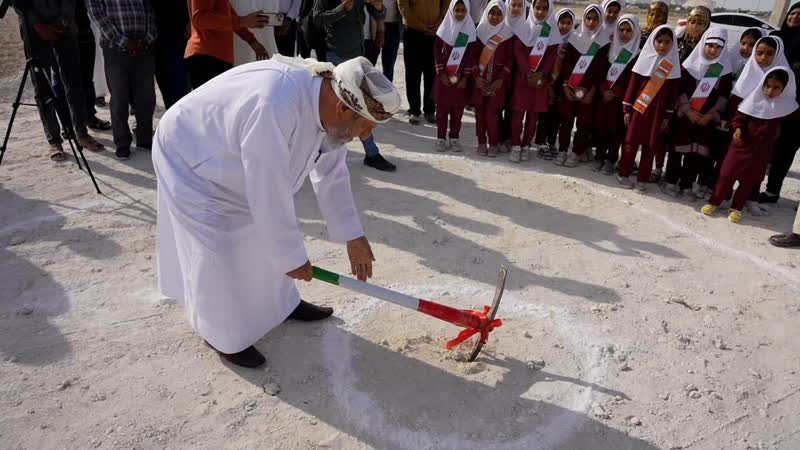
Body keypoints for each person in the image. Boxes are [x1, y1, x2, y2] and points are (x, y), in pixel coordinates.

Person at [153, 56, 401, 368]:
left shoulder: (330, 108)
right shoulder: (274, 104)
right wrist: (291, 255)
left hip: (234, 160)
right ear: (342, 109)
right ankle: (222, 334)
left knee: (268, 238)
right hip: (191, 155)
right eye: (365, 127)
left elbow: (331, 175)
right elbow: (267, 189)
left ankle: (283, 305)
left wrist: (353, 235)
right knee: (220, 248)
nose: (365, 137)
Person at [13, 0, 106, 162]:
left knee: (73, 82)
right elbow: (19, 4)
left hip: (65, 26)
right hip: (33, 30)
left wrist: (62, 22)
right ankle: (54, 141)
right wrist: (37, 25)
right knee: (42, 89)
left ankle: (81, 133)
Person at [702, 68, 798, 224]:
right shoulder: (753, 99)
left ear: (784, 89)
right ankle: (714, 202)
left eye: (776, 88)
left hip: (761, 151)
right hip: (741, 146)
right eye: (767, 86)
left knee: (748, 181)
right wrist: (738, 128)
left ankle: (736, 208)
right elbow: (739, 118)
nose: (770, 91)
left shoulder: (785, 107)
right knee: (726, 175)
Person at [314, 0, 398, 172]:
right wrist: (342, 8)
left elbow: (379, 15)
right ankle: (323, 156)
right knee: (336, 110)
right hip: (335, 57)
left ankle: (371, 154)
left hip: (357, 61)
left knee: (361, 110)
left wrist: (378, 7)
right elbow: (318, 20)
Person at [664, 27, 733, 200]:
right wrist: (688, 111)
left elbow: (724, 96)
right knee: (677, 150)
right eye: (709, 45)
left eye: (718, 47)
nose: (713, 50)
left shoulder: (723, 71)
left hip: (705, 121)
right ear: (703, 44)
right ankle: (670, 181)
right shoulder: (689, 66)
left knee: (696, 154)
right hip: (686, 118)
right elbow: (680, 91)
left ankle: (687, 184)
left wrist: (711, 115)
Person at [87, 0, 158, 160]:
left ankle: (145, 138)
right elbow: (98, 15)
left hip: (144, 48)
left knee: (146, 97)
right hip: (115, 50)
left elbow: (150, 11)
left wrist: (147, 39)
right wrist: (126, 43)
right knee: (119, 98)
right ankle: (122, 142)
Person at [617, 24, 681, 192]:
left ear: (672, 44)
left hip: (657, 114)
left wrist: (667, 116)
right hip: (638, 111)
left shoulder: (672, 67)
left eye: (667, 42)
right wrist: (627, 109)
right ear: (653, 41)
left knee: (650, 146)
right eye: (659, 41)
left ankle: (642, 180)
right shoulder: (642, 61)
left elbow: (672, 96)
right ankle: (623, 174)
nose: (662, 46)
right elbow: (632, 87)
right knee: (631, 143)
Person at [555, 4, 610, 168]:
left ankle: (576, 152)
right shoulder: (574, 38)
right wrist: (565, 86)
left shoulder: (603, 43)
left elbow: (601, 71)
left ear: (601, 20)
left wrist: (592, 92)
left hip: (588, 91)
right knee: (566, 121)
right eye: (588, 18)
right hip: (570, 88)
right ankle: (562, 150)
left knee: (583, 124)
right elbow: (566, 66)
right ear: (584, 19)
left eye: (595, 19)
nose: (591, 22)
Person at [508, 0, 560, 163]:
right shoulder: (523, 28)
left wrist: (541, 74)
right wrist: (527, 73)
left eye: (545, 9)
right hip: (523, 79)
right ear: (533, 8)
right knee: (518, 115)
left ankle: (525, 145)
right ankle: (516, 145)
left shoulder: (551, 31)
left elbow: (551, 55)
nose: (540, 12)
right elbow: (518, 50)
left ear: (549, 10)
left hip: (540, 82)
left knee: (533, 116)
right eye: (538, 7)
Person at [760, 2, 800, 205]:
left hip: (795, 111)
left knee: (784, 151)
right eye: (792, 12)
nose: (794, 16)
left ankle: (772, 191)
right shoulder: (778, 40)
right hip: (771, 103)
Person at [185, 0, 269, 89]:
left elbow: (231, 16)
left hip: (217, 60)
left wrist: (253, 41)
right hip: (206, 59)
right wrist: (242, 21)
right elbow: (200, 18)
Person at [593, 15, 640, 175]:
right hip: (604, 98)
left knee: (616, 132)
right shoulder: (608, 49)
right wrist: (604, 90)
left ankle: (610, 160)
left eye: (628, 30)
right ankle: (599, 156)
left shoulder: (637, 55)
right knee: (601, 128)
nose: (624, 33)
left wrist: (616, 92)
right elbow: (599, 72)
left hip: (620, 101)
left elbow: (633, 81)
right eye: (621, 29)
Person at [433, 0, 477, 153]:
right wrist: (442, 73)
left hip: (461, 79)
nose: (459, 14)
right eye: (456, 10)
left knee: (457, 111)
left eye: (463, 11)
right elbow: (437, 52)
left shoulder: (470, 30)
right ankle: (440, 138)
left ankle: (454, 137)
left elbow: (471, 57)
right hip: (445, 76)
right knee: (442, 111)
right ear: (451, 10)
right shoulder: (444, 29)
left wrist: (465, 77)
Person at [471, 0, 513, 157]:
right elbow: (472, 57)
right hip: (479, 83)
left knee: (492, 114)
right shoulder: (479, 32)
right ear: (486, 13)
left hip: (497, 84)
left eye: (499, 13)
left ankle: (493, 143)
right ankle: (482, 142)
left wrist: (501, 79)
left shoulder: (507, 35)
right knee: (480, 113)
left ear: (504, 15)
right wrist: (476, 77)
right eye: (492, 13)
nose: (495, 17)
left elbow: (510, 60)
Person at [399, 0, 448, 125]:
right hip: (413, 32)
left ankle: (430, 110)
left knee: (432, 73)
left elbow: (446, 4)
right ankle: (414, 110)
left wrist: (439, 23)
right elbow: (404, 7)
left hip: (435, 32)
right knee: (412, 73)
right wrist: (422, 26)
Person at [534, 7, 573, 160]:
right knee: (544, 112)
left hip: (563, 83)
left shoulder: (573, 41)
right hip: (547, 80)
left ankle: (551, 141)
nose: (564, 26)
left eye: (569, 23)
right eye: (561, 22)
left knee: (556, 114)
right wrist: (548, 83)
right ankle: (541, 142)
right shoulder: (548, 37)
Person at [152, 0, 192, 109]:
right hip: (161, 41)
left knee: (181, 92)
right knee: (172, 93)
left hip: (180, 40)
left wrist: (191, 21)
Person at [364, 0, 402, 81]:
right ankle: (368, 90)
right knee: (369, 65)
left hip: (393, 25)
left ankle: (387, 91)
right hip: (375, 24)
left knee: (389, 66)